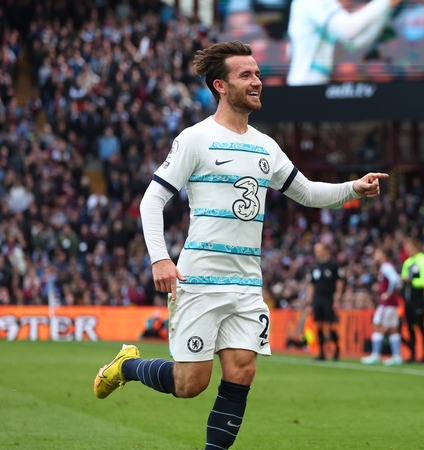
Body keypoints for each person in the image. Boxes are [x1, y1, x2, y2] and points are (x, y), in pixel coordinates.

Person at [92, 40, 387, 450]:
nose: (257, 82)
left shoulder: (266, 146)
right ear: (220, 85)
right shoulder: (195, 139)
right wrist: (160, 259)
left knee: (241, 371)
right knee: (190, 383)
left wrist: (353, 188)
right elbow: (152, 200)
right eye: (245, 75)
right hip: (199, 280)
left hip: (247, 285)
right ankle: (129, 366)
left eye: (258, 74)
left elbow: (308, 193)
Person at [286, 0, 402, 86]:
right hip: (304, 85)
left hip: (316, 84)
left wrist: (388, 8)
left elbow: (356, 43)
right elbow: (348, 29)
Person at [361, 247, 404, 366]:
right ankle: (397, 356)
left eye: (378, 252)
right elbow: (398, 280)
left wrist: (389, 293)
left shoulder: (385, 266)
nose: (375, 254)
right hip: (393, 304)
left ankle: (375, 355)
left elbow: (394, 279)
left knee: (377, 325)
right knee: (393, 329)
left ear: (383, 254)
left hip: (386, 303)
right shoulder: (388, 266)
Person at [307, 242, 345, 361]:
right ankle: (321, 353)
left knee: (328, 326)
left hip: (329, 298)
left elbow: (339, 282)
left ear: (325, 250)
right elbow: (311, 285)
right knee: (318, 325)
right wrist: (309, 301)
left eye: (319, 250)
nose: (317, 252)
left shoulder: (333, 265)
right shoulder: (314, 267)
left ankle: (336, 349)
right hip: (318, 298)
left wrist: (337, 297)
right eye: (315, 250)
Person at [400, 236, 424, 363]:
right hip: (408, 301)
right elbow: (403, 279)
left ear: (416, 246)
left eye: (409, 247)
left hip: (418, 300)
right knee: (410, 327)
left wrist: (410, 281)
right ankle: (412, 354)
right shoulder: (407, 262)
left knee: (420, 326)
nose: (408, 250)